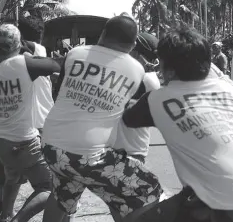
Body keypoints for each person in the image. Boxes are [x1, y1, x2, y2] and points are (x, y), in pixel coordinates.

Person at [123, 26, 233, 222]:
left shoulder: (156, 100)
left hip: (227, 203)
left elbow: (128, 118)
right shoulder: (226, 88)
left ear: (168, 70)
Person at [41, 15, 162, 222]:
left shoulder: (75, 53)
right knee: (148, 188)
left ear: (103, 34)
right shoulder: (136, 70)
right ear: (132, 45)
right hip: (87, 156)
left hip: (51, 146)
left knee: (63, 197)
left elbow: (59, 91)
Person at [0, 23, 62, 222]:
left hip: (0, 142)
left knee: (12, 177)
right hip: (24, 142)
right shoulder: (25, 64)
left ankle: (6, 215)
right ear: (18, 47)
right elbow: (57, 64)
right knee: (50, 188)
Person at [113, 32, 162, 164]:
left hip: (130, 152)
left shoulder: (147, 80)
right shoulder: (126, 72)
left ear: (135, 53)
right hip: (113, 148)